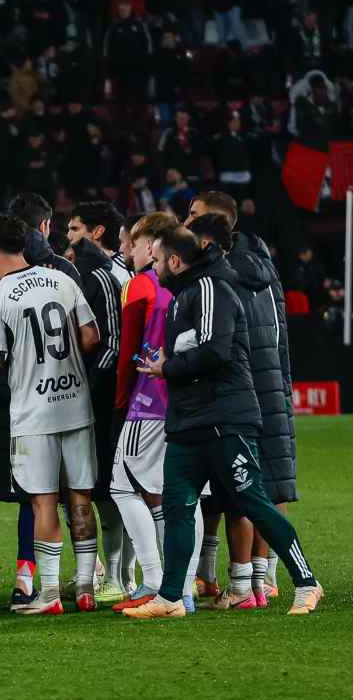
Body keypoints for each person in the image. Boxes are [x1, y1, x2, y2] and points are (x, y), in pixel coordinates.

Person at [124, 228, 323, 618]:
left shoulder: (211, 289)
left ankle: (307, 582)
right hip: (188, 424)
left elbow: (215, 351)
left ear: (175, 262)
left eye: (158, 259)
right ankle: (170, 598)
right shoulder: (181, 298)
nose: (154, 266)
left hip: (224, 422)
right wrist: (170, 364)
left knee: (254, 503)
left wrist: (169, 367)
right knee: (177, 508)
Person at [0, 214, 101, 615]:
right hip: (76, 404)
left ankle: (50, 592)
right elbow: (91, 336)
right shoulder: (62, 280)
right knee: (80, 497)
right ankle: (86, 588)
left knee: (43, 501)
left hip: (34, 412)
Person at [110, 211, 184, 613]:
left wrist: (121, 400)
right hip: (187, 400)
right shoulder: (190, 282)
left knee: (122, 487)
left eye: (133, 243)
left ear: (153, 243)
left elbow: (128, 352)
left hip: (149, 400)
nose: (127, 251)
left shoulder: (140, 284)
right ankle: (181, 587)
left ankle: (154, 580)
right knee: (176, 495)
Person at [67, 201, 127, 606]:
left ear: (96, 231)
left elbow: (113, 344)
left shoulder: (108, 275)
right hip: (88, 397)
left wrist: (88, 386)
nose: (68, 238)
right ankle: (102, 571)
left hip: (108, 401)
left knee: (117, 489)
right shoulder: (85, 273)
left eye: (74, 229)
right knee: (92, 488)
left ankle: (123, 575)